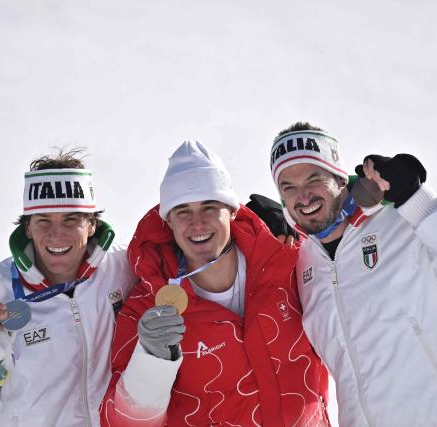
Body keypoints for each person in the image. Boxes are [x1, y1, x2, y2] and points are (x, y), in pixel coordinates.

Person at [255, 122, 437, 427]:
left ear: (340, 177)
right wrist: (257, 240)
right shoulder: (303, 263)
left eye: (314, 178)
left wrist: (417, 199)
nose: (303, 196)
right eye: (288, 187)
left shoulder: (405, 220)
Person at [100, 141, 330, 426]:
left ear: (233, 210)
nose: (197, 223)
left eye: (210, 207)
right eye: (182, 210)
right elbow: (121, 422)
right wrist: (152, 361)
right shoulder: (146, 308)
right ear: (168, 220)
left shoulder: (290, 263)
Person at [0, 149, 136, 427]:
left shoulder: (127, 269)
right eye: (43, 221)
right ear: (28, 227)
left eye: (71, 219)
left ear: (91, 224)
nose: (57, 235)